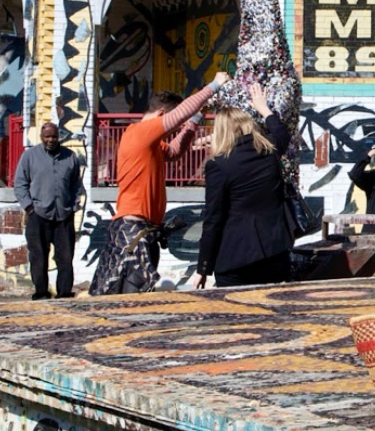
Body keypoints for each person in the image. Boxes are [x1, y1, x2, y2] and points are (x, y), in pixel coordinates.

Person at [90, 71, 231, 295]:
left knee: (135, 297)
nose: (173, 126)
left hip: (142, 230)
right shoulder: (140, 132)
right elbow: (178, 116)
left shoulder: (150, 143)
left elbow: (175, 150)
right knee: (126, 298)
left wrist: (195, 119)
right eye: (172, 120)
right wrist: (213, 85)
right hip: (131, 230)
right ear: (162, 113)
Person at [195, 84, 293, 288]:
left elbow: (213, 219)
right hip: (275, 252)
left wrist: (203, 268)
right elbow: (282, 133)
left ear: (221, 132)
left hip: (236, 258)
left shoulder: (219, 165)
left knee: (236, 317)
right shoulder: (269, 151)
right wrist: (263, 108)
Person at [13, 122, 84, 300]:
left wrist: (74, 206)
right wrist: (29, 207)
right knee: (39, 257)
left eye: (54, 136)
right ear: (41, 137)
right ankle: (41, 292)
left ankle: (64, 293)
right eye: (47, 136)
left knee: (66, 258)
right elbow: (20, 184)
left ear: (58, 136)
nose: (51, 140)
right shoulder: (30, 156)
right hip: (38, 215)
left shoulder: (70, 156)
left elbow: (77, 184)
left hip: (64, 216)